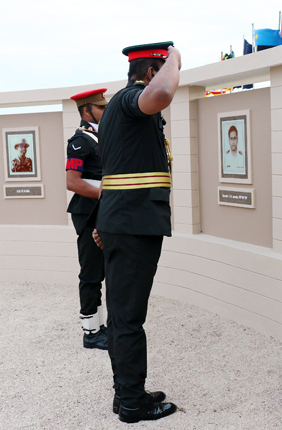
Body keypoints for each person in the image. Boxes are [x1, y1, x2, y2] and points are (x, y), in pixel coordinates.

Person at [91, 42, 181, 423]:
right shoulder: (131, 100)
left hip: (123, 222)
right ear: (149, 73)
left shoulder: (116, 109)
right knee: (128, 319)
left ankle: (126, 392)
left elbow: (115, 168)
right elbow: (161, 92)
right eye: (161, 68)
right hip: (132, 226)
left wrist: (102, 220)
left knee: (123, 316)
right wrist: (175, 57)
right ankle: (131, 403)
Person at [66, 88, 108, 350]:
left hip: (102, 210)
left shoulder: (99, 137)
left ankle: (101, 325)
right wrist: (104, 195)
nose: (105, 111)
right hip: (88, 212)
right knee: (91, 272)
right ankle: (90, 332)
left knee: (103, 270)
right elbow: (72, 182)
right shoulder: (79, 142)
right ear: (86, 110)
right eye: (100, 107)